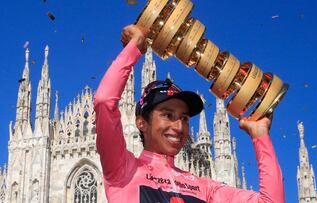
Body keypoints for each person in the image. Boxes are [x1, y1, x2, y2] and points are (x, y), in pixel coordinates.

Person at [94, 24, 285, 203]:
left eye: (184, 118)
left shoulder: (204, 187)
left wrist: (260, 135)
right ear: (141, 122)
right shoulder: (123, 169)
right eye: (168, 115)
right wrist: (134, 47)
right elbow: (104, 101)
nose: (178, 126)